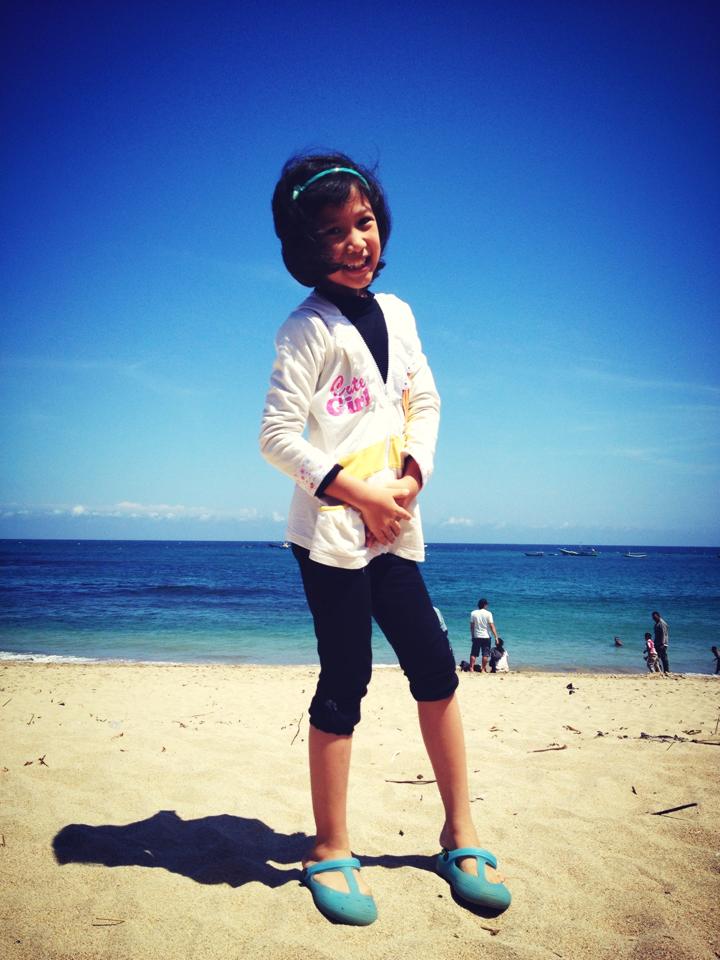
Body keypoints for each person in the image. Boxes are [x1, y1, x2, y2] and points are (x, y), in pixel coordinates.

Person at [260, 153, 510, 926]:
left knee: (435, 668)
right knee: (347, 677)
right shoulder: (304, 329)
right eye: (332, 231)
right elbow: (276, 437)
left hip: (395, 528)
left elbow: (424, 401)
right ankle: (328, 845)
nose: (354, 241)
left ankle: (460, 831)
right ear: (305, 246)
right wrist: (358, 492)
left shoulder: (399, 314)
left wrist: (408, 478)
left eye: (363, 222)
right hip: (333, 535)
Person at [469, 598, 498, 673]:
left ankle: (471, 668)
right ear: (485, 605)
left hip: (476, 636)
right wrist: (496, 637)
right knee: (485, 654)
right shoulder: (488, 613)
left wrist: (472, 636)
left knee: (473, 653)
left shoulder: (473, 613)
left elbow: (472, 626)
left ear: (478, 605)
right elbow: (491, 626)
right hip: (486, 636)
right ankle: (482, 669)